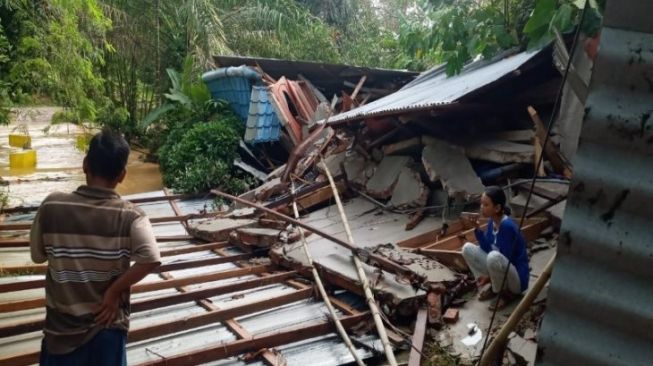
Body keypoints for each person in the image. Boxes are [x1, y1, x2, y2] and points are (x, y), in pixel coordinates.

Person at [30, 129, 161, 366]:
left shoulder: (52, 205)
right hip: (107, 328)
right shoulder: (131, 215)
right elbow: (150, 258)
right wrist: (114, 291)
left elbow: (37, 256)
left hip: (61, 333)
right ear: (122, 175)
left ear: (85, 165)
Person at [461, 186, 529, 310]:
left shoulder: (507, 227)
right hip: (501, 267)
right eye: (481, 204)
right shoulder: (493, 221)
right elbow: (487, 248)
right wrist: (477, 228)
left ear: (497, 208)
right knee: (467, 248)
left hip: (516, 280)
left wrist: (488, 278)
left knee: (493, 257)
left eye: (486, 205)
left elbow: (507, 259)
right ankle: (495, 286)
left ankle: (505, 294)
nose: (481, 207)